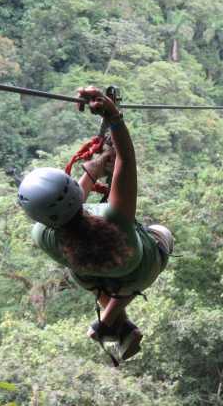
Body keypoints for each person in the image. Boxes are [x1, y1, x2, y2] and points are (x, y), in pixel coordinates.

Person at [16, 86, 174, 363]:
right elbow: (126, 159)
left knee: (94, 279)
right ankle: (106, 319)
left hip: (91, 278)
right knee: (162, 234)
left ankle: (114, 323)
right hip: (137, 273)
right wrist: (113, 116)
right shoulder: (115, 219)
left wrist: (93, 169)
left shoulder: (43, 235)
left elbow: (68, 205)